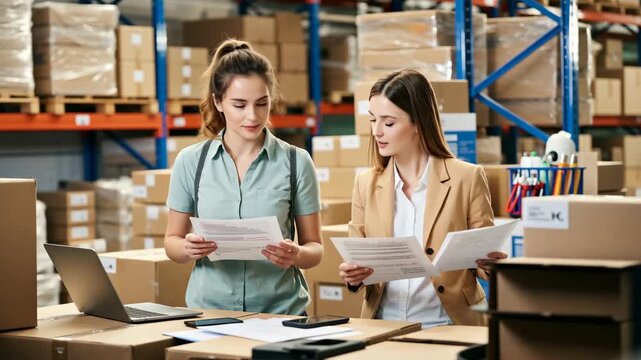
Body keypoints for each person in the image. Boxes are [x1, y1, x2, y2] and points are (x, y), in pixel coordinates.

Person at [164, 39, 323, 315]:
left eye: (262, 104)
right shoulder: (191, 162)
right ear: (218, 102)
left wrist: (297, 254)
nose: (253, 116)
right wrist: (187, 248)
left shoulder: (297, 162)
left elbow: (315, 249)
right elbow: (172, 243)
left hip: (280, 313)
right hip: (210, 313)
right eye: (240, 105)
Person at [338, 69, 507, 327]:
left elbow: (483, 261)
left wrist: (492, 263)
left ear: (418, 122)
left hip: (450, 323)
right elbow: (356, 260)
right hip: (384, 324)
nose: (377, 131)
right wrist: (353, 276)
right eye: (373, 120)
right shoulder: (365, 183)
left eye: (389, 122)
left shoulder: (467, 177)